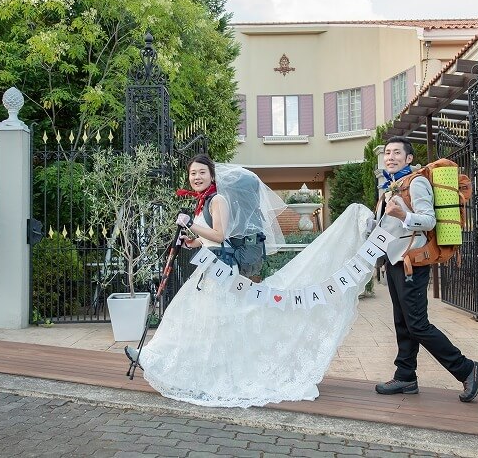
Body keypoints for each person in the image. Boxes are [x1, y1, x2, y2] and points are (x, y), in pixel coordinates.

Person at [133, 154, 375, 408]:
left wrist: (192, 224)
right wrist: (191, 240)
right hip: (210, 268)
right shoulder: (203, 201)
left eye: (202, 172)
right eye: (193, 173)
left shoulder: (218, 199)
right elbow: (210, 239)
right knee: (194, 320)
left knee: (202, 320)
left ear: (212, 175)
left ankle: (163, 360)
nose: (197, 177)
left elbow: (220, 233)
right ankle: (161, 360)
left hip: (221, 272)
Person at [374, 137, 478, 403]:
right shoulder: (390, 186)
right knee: (403, 322)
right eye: (387, 153)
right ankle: (405, 376)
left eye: (397, 153)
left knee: (418, 324)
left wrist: (404, 216)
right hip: (395, 261)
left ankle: (467, 368)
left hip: (413, 262)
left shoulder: (417, 182)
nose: (390, 157)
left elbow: (428, 219)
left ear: (409, 158)